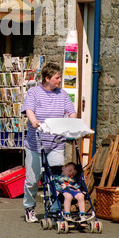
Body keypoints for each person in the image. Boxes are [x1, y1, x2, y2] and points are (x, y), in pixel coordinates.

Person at [22, 62, 76, 222]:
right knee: (32, 180)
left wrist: (71, 122)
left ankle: (54, 209)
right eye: (57, 77)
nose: (60, 80)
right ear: (47, 78)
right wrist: (33, 121)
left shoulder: (63, 94)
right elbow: (29, 110)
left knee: (56, 179)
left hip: (56, 144)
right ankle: (29, 207)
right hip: (36, 144)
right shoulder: (34, 93)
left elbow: (71, 112)